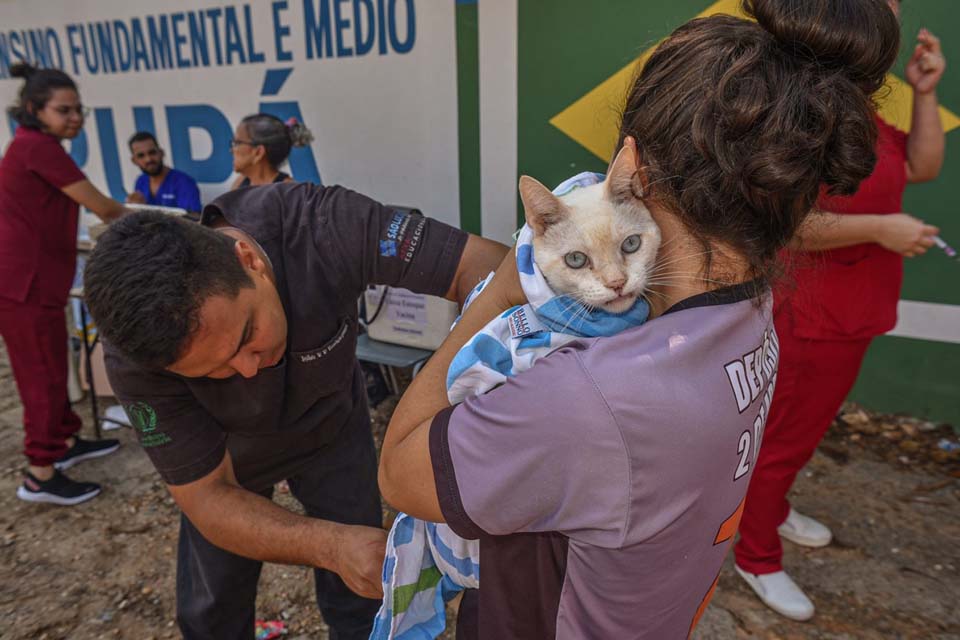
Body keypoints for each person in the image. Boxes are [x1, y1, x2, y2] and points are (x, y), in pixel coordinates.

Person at [377, 0, 901, 637]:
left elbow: (400, 473)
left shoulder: (593, 398)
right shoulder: (753, 310)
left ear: (637, 170)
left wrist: (500, 293)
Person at [81, 183, 507, 639]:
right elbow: (207, 497)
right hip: (229, 456)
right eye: (211, 372)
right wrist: (331, 546)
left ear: (250, 260)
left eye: (247, 336)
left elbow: (489, 268)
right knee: (212, 607)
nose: (248, 370)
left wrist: (471, 396)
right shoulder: (135, 355)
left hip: (331, 425)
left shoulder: (318, 225)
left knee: (365, 592)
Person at [733, 0, 946, 621]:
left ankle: (769, 511)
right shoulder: (804, 108)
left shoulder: (858, 102)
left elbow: (922, 165)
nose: (895, 14)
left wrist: (925, 92)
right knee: (780, 440)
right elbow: (788, 225)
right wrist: (880, 228)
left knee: (801, 432)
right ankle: (757, 554)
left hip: (854, 312)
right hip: (812, 315)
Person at [0, 62, 128, 506]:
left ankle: (64, 443)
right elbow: (103, 206)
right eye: (63, 110)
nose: (74, 117)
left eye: (78, 109)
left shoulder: (40, 144)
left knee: (55, 369)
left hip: (39, 282)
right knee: (41, 377)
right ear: (34, 109)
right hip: (24, 285)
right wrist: (161, 222)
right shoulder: (38, 147)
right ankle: (39, 474)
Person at [126, 131, 202, 213]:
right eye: (141, 155)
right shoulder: (141, 181)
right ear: (134, 161)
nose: (148, 159)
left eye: (152, 152)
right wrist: (135, 208)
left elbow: (194, 219)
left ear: (161, 153)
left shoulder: (184, 183)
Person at [230, 113, 312, 188]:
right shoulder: (239, 184)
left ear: (258, 152)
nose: (231, 150)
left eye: (237, 143)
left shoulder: (289, 192)